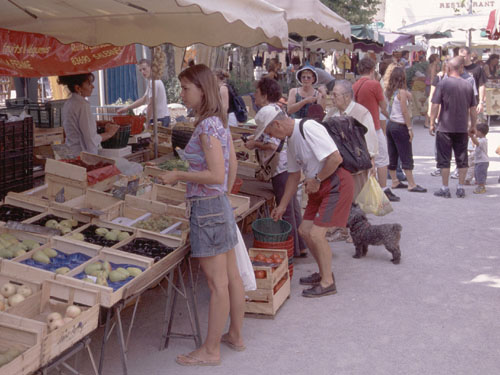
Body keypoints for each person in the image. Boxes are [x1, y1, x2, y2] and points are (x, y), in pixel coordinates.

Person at [159, 64, 244, 366]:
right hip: (217, 205)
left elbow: (216, 173)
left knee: (216, 284)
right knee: (230, 277)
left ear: (201, 90)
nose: (181, 94)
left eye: (185, 89)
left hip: (207, 210)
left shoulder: (207, 126)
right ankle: (234, 335)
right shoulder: (217, 122)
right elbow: (229, 169)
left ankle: (210, 350)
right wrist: (224, 195)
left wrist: (179, 176)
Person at [254, 104, 354, 298]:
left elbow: (335, 158)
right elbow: (293, 176)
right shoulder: (290, 140)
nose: (271, 137)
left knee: (316, 234)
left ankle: (328, 283)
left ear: (277, 124)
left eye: (269, 132)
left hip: (335, 184)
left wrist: (316, 180)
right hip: (317, 185)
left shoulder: (308, 128)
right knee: (304, 231)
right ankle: (324, 272)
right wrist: (281, 206)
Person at [244, 77, 307, 257]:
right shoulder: (278, 109)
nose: (254, 96)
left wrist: (255, 144)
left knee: (284, 209)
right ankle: (300, 245)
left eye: (256, 93)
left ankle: (290, 250)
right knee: (293, 208)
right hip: (288, 164)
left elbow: (272, 144)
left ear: (264, 95)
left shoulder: (267, 112)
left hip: (281, 167)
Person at [430, 57, 477, 198]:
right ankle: (460, 187)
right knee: (462, 159)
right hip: (462, 128)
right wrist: (473, 126)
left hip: (444, 127)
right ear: (461, 68)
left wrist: (431, 122)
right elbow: (473, 109)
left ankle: (445, 188)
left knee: (444, 159)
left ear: (448, 68)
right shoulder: (468, 85)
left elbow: (435, 105)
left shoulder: (443, 84)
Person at [353, 57, 398, 202]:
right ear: (373, 70)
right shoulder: (374, 85)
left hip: (359, 128)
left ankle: (365, 190)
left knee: (365, 160)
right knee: (382, 159)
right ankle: (384, 189)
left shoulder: (354, 85)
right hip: (374, 127)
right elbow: (383, 106)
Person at [324, 80, 378, 198]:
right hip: (338, 165)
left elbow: (370, 139)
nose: (332, 98)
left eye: (335, 95)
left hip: (357, 165)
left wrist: (372, 160)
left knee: (356, 199)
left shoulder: (362, 113)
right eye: (331, 94)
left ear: (347, 96)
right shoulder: (331, 113)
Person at [385, 67, 427, 193]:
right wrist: (409, 128)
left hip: (391, 125)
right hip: (400, 125)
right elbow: (404, 111)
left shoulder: (390, 91)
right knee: (406, 154)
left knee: (392, 154)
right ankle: (411, 184)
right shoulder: (402, 92)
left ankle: (394, 181)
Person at [58, 73, 119, 157]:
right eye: (89, 84)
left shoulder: (69, 103)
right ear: (78, 88)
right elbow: (91, 140)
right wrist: (109, 133)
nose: (93, 86)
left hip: (72, 153)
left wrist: (96, 123)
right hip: (83, 156)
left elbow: (76, 125)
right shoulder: (82, 105)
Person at [118, 59, 170, 127]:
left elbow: (151, 104)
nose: (142, 72)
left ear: (151, 67)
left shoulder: (153, 82)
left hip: (159, 119)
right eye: (140, 70)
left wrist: (147, 122)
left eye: (144, 69)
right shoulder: (153, 81)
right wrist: (127, 108)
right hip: (162, 117)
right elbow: (143, 100)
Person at [459, 47, 486, 116]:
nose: (462, 58)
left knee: (476, 124)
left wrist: (481, 102)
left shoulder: (477, 68)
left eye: (463, 56)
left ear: (469, 55)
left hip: (473, 101)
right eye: (460, 56)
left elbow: (481, 85)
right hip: (459, 101)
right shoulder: (457, 67)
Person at [470, 123, 489, 194]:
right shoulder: (479, 139)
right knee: (477, 173)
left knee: (481, 174)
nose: (475, 132)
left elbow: (476, 143)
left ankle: (482, 186)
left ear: (480, 132)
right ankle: (479, 185)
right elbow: (474, 143)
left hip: (483, 161)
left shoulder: (483, 140)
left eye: (476, 131)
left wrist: (472, 136)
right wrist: (473, 137)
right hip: (478, 161)